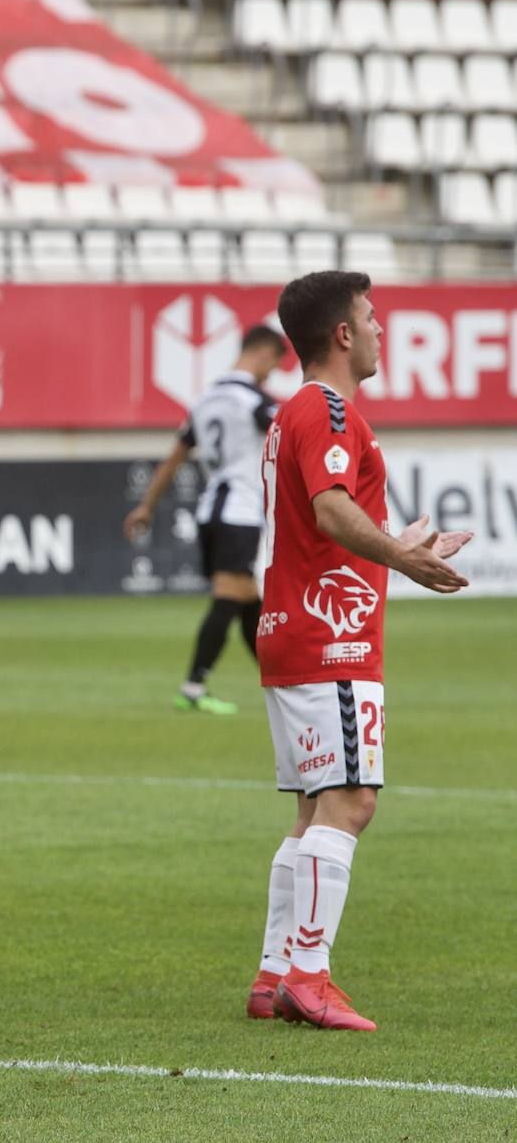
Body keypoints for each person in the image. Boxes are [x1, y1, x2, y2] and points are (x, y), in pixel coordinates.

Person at [245, 271, 471, 1031]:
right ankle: (310, 975)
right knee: (352, 802)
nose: (379, 329)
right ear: (342, 333)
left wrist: (404, 544)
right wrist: (406, 561)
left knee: (314, 809)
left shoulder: (295, 413)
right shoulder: (332, 408)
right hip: (329, 641)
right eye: (371, 318)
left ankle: (275, 972)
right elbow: (333, 511)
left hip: (293, 630)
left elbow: (326, 531)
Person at [124, 325, 288, 714]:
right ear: (263, 353)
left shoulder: (205, 399)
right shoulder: (254, 400)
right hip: (240, 511)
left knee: (249, 602)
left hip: (210, 510)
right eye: (275, 364)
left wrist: (147, 505)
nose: (271, 373)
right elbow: (293, 435)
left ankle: (282, 684)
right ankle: (194, 686)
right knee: (230, 597)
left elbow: (175, 457)